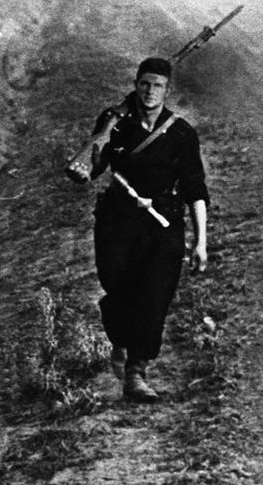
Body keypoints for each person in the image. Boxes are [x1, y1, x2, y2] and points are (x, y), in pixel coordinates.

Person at [68, 57, 209, 403]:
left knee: (155, 294)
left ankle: (137, 371)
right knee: (116, 284)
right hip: (118, 219)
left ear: (167, 90)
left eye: (157, 86)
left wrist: (201, 242)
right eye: (144, 84)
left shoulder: (180, 132)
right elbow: (96, 165)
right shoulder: (115, 121)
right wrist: (88, 159)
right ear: (135, 84)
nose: (149, 92)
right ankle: (119, 338)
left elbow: (195, 189)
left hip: (162, 222)